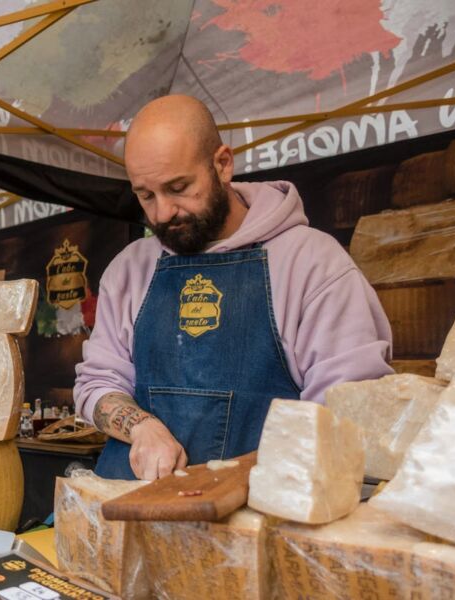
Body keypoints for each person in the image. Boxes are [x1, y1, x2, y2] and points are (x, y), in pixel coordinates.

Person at [74, 95, 393, 481]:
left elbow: (346, 409)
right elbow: (98, 383)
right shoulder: (128, 271)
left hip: (258, 524)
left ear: (222, 164)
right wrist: (142, 428)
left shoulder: (312, 264)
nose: (161, 213)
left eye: (178, 187)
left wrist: (240, 479)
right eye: (145, 195)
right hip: (134, 514)